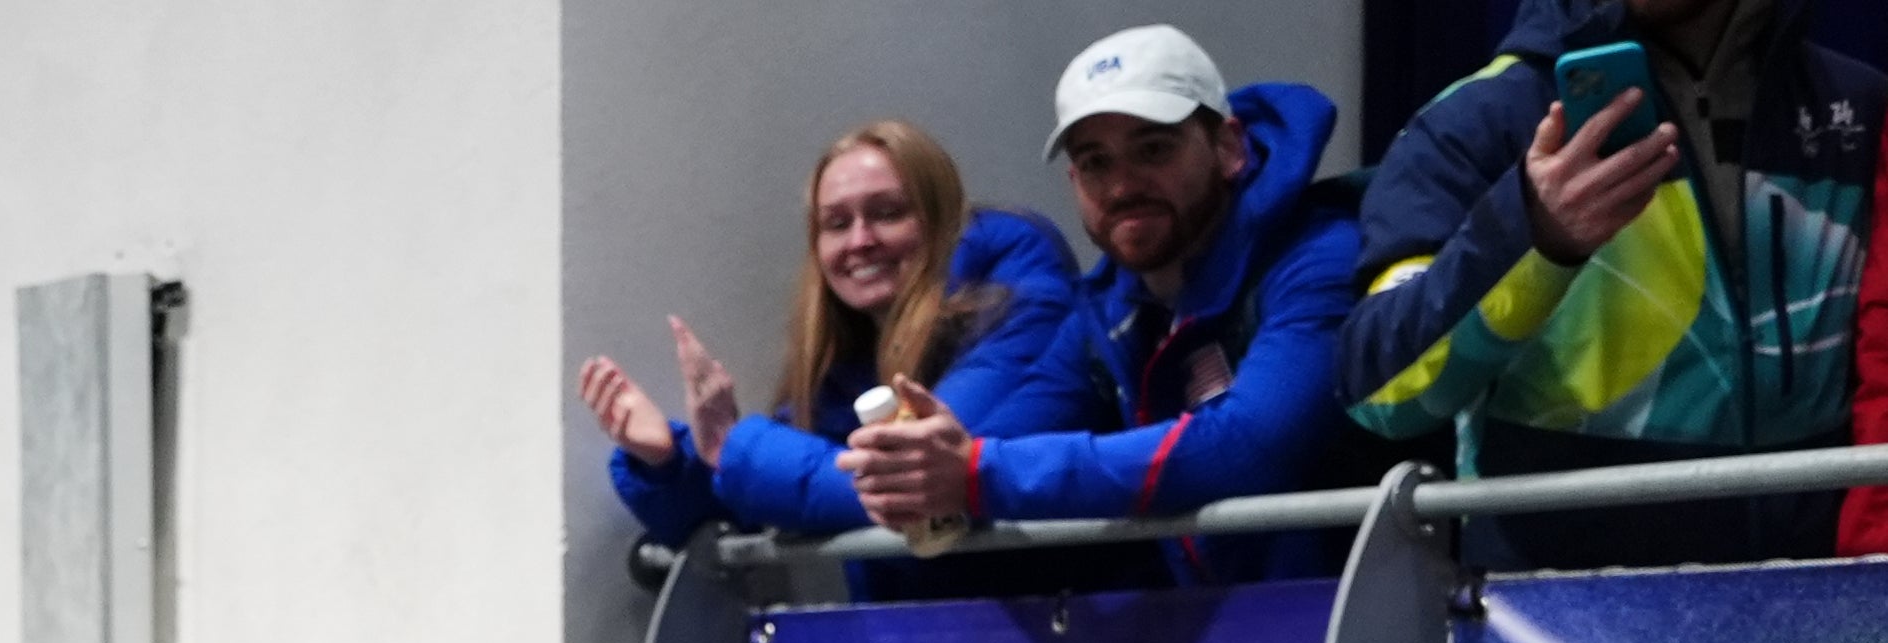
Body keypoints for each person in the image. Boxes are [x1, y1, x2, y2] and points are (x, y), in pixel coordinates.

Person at [1346, 0, 1883, 570]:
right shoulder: (1482, 117)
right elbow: (1381, 395)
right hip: (1556, 623)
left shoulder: (1856, 105)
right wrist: (1534, 237)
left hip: (1810, 608)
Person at [844, 26, 1365, 579]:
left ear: (1228, 147)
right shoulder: (1108, 309)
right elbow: (998, 442)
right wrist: (925, 466)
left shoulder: (1319, 256)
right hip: (1226, 638)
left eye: (1153, 148)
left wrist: (974, 473)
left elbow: (1246, 447)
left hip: (1367, 635)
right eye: (1095, 163)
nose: (1121, 186)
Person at [578, 120, 1084, 549]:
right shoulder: (847, 356)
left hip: (1070, 639)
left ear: (942, 220)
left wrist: (733, 446)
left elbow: (907, 484)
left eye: (887, 213)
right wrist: (669, 461)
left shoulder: (1018, 298)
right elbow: (763, 507)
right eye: (836, 223)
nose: (860, 241)